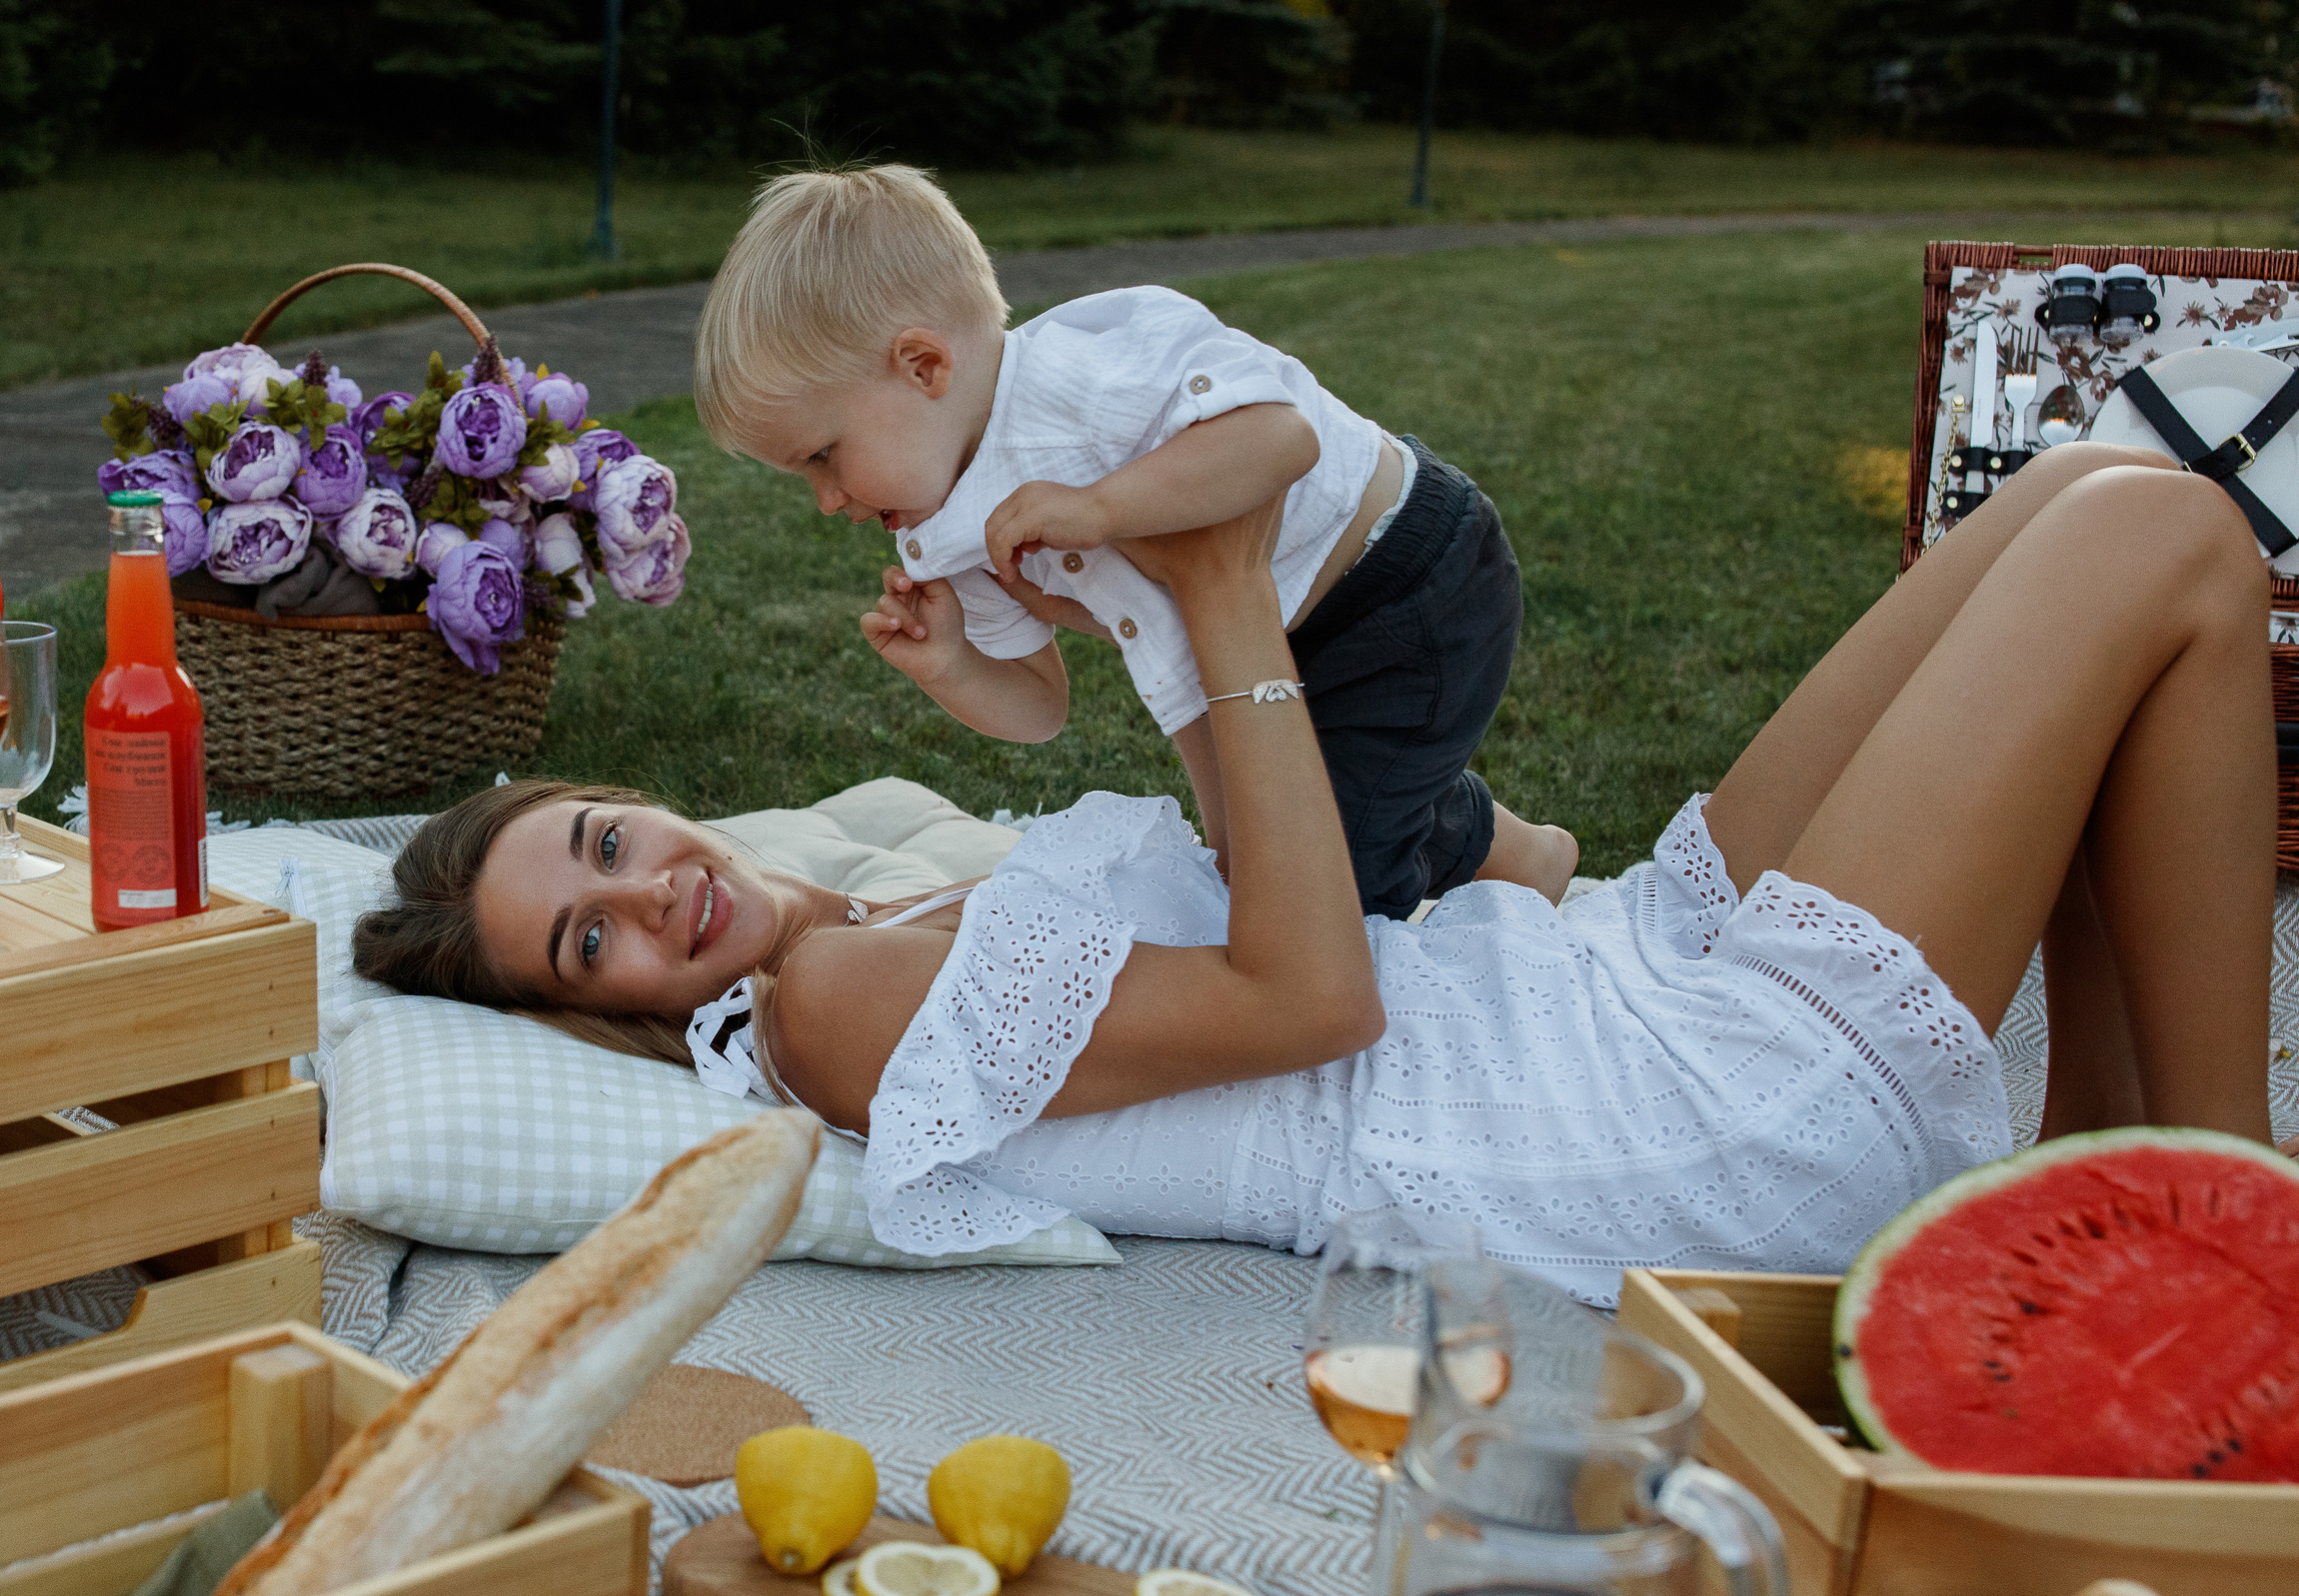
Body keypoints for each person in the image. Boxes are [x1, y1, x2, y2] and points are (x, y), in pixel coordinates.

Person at [355, 444, 2272, 1304]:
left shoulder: (878, 916)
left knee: (2071, 497)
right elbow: (1313, 998)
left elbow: (1305, 868)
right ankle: (2235, 1250)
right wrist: (1222, 598)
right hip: (1623, 1116)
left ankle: (2110, 1167)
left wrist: (1142, 623)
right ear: (601, 1018)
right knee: (2164, 547)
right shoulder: (832, 1012)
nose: (646, 896)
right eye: (586, 943)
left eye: (604, 843)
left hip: (1594, 976)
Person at [689, 163, 1578, 918]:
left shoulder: (1093, 368)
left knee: (1319, 892)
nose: (826, 499)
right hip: (1258, 652)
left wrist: (1106, 506)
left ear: (924, 367)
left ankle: (1407, 1000)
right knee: (1256, 867)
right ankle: (1517, 853)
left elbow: (1282, 436)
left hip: (1405, 582)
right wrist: (953, 665)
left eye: (824, 456)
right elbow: (1042, 707)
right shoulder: (948, 529)